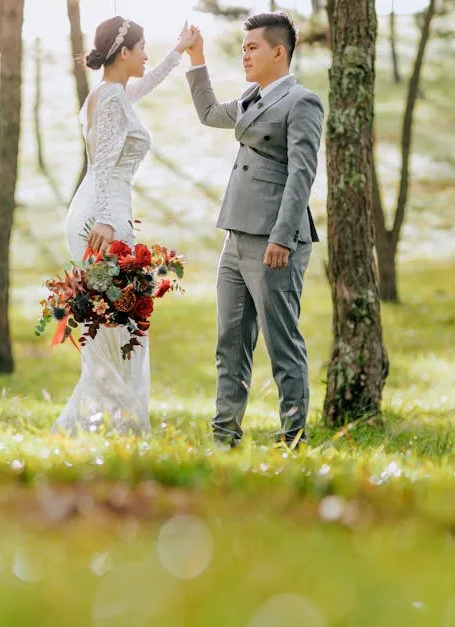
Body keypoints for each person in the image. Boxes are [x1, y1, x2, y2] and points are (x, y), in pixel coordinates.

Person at [183, 12, 324, 448]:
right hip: (236, 234)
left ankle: (293, 438)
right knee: (230, 343)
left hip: (274, 241)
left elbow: (302, 173)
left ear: (278, 52)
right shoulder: (251, 99)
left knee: (282, 345)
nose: (244, 55)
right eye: (243, 48)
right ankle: (225, 436)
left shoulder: (302, 102)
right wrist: (197, 58)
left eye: (252, 48)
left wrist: (282, 237)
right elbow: (208, 112)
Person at [53, 17, 199, 436]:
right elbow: (103, 167)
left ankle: (110, 423)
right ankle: (115, 427)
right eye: (142, 48)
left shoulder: (111, 93)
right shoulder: (113, 100)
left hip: (102, 211)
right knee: (120, 325)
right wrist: (106, 219)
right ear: (123, 53)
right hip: (104, 218)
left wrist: (179, 50)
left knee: (117, 325)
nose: (145, 55)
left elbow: (147, 82)